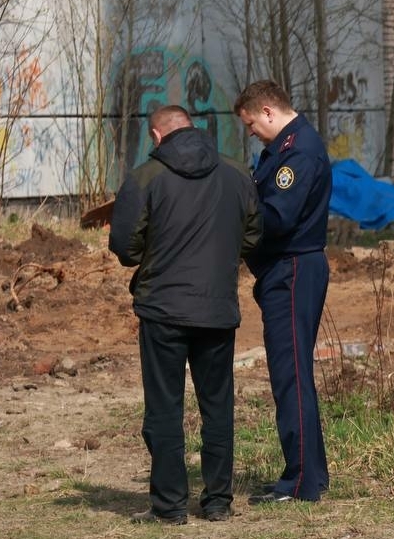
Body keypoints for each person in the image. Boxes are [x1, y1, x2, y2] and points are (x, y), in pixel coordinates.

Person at [109, 105, 262, 525]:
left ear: (157, 137)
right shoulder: (235, 174)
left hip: (163, 310)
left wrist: (156, 257)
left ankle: (170, 506)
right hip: (216, 308)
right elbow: (252, 234)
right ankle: (217, 502)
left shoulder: (145, 178)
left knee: (164, 408)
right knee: (217, 407)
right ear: (193, 128)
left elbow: (124, 246)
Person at [234, 80, 333, 504]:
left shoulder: (298, 152)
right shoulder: (286, 149)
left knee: (291, 377)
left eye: (252, 123)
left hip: (293, 270)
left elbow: (275, 217)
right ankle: (308, 473)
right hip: (288, 269)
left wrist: (233, 220)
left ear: (269, 111)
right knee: (292, 376)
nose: (251, 132)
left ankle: (301, 483)